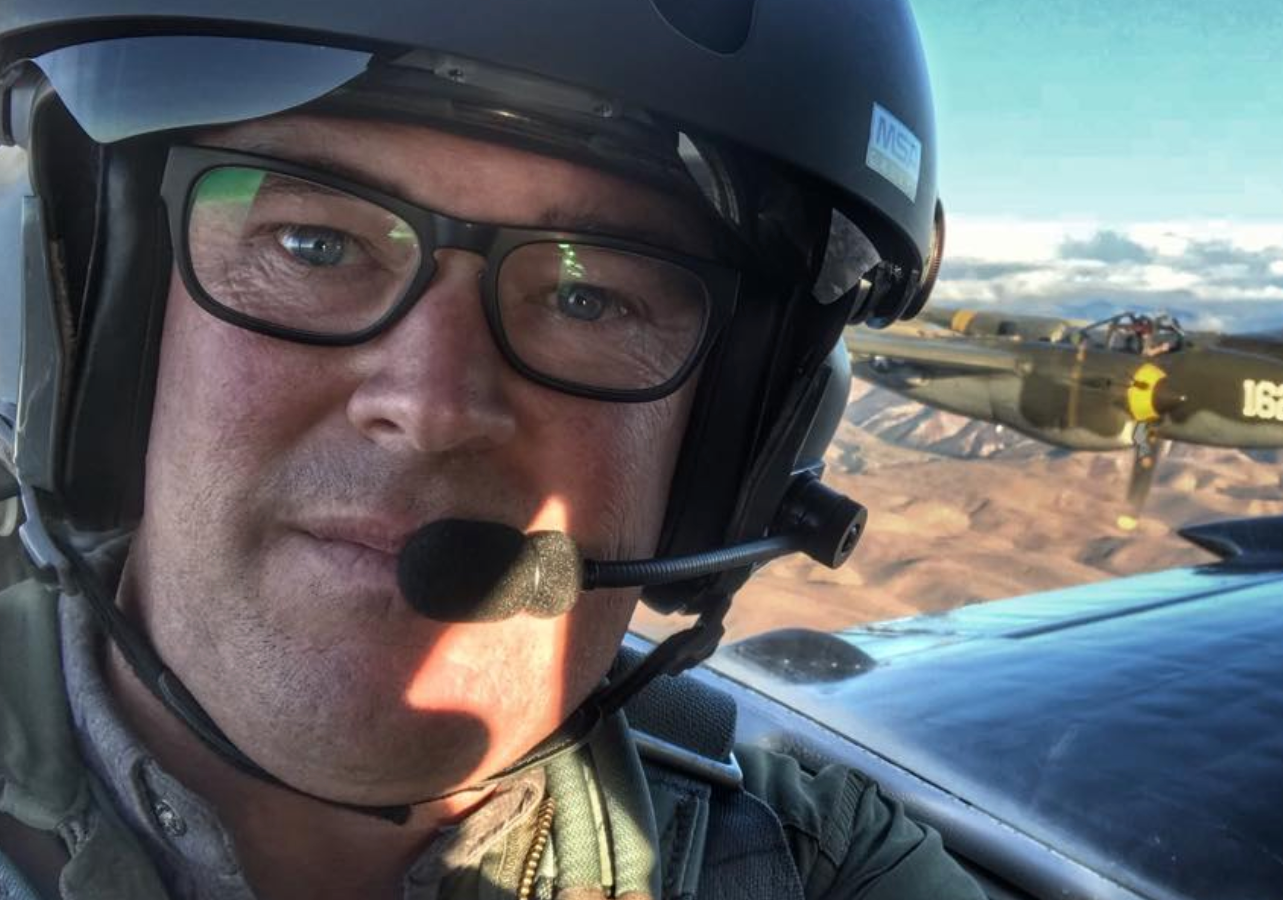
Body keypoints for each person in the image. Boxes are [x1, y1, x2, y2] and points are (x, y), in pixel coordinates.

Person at [0, 3, 981, 898]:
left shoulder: (823, 867)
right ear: (92, 330)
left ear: (731, 460)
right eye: (314, 245)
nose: (431, 408)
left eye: (587, 298)